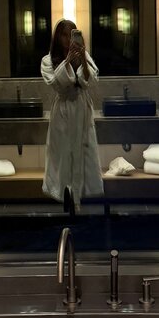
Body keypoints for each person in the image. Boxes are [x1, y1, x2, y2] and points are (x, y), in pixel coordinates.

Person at [41, 19, 104, 209]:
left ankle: (79, 196)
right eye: (64, 35)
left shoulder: (85, 55)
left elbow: (89, 81)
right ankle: (64, 195)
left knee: (83, 152)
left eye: (72, 35)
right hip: (63, 110)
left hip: (82, 108)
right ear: (57, 37)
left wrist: (82, 57)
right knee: (62, 154)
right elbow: (57, 84)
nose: (68, 39)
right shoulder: (47, 60)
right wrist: (67, 60)